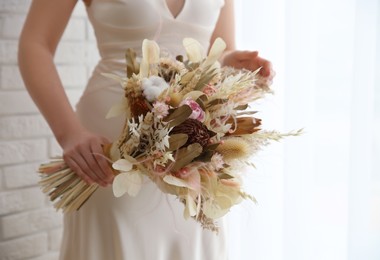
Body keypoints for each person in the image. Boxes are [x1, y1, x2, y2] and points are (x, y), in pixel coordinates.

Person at [18, 0, 274, 259]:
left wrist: (231, 62)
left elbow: (218, 48)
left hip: (194, 144)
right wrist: (69, 134)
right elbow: (35, 43)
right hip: (109, 149)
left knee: (193, 238)